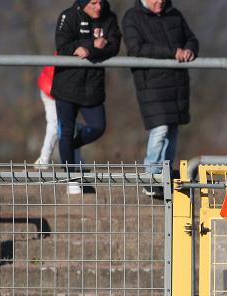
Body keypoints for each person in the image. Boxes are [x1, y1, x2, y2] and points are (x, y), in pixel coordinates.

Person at [123, 0, 199, 199]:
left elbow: (191, 38)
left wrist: (190, 49)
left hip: (177, 84)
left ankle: (163, 176)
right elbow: (136, 48)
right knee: (160, 129)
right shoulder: (132, 17)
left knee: (172, 131)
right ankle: (151, 177)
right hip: (152, 84)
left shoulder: (174, 14)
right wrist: (172, 53)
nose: (161, 2)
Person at [52, 0, 121, 195]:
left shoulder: (109, 17)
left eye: (100, 2)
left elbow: (114, 46)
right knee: (65, 131)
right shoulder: (68, 16)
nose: (98, 7)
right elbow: (63, 46)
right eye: (93, 3)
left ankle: (70, 147)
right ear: (83, 3)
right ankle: (71, 178)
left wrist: (89, 51)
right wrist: (92, 44)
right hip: (66, 85)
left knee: (98, 127)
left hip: (93, 86)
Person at [35, 64, 58, 167]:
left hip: (52, 85)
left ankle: (77, 160)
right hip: (50, 88)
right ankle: (43, 160)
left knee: (68, 125)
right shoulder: (70, 49)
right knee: (55, 126)